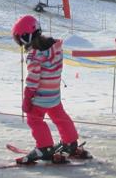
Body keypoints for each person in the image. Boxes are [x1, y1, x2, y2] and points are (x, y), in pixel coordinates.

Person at [12, 15, 91, 164]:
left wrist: (27, 98)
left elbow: (33, 80)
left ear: (26, 37)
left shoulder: (34, 56)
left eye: (19, 40)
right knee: (60, 117)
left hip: (41, 98)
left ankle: (44, 147)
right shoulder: (55, 48)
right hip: (54, 95)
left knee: (34, 119)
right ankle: (70, 143)